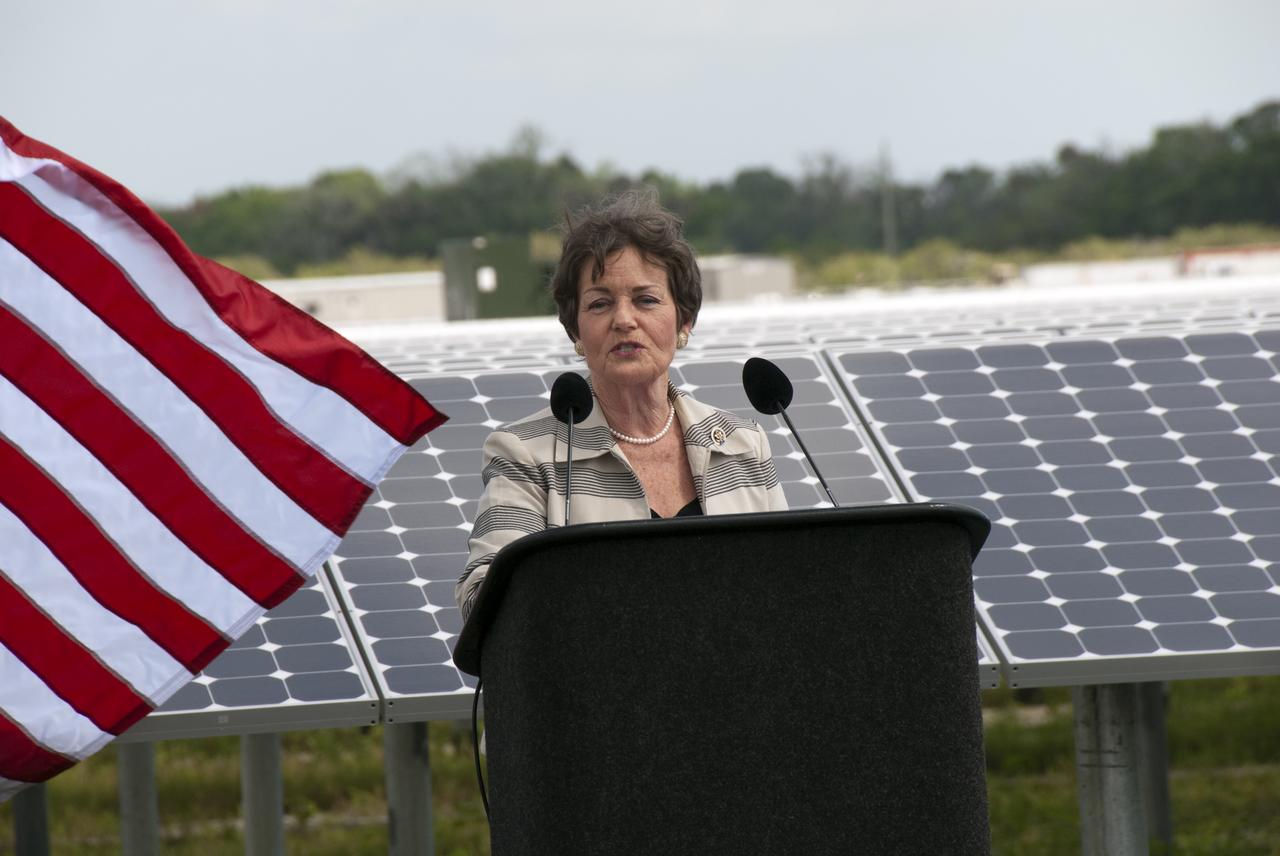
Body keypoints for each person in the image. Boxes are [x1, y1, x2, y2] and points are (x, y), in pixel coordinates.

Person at [455, 191, 787, 619]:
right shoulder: (529, 455)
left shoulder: (742, 445)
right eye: (600, 303)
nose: (624, 319)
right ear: (576, 329)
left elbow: (786, 582)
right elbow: (479, 598)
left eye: (646, 300)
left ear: (684, 321)